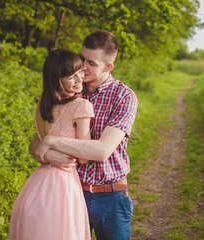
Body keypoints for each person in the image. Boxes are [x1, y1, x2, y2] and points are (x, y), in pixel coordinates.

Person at [29, 30, 138, 240]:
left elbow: (102, 150)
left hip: (111, 197)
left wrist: (51, 142)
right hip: (71, 192)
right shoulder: (69, 90)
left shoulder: (124, 97)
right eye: (82, 59)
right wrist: (46, 153)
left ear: (109, 67)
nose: (83, 68)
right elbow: (36, 142)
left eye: (91, 63)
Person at [9, 49, 94, 240]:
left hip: (36, 185)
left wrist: (49, 150)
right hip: (62, 186)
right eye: (71, 76)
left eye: (80, 72)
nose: (80, 80)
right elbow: (84, 155)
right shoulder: (82, 106)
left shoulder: (42, 104)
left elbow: (39, 142)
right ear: (57, 80)